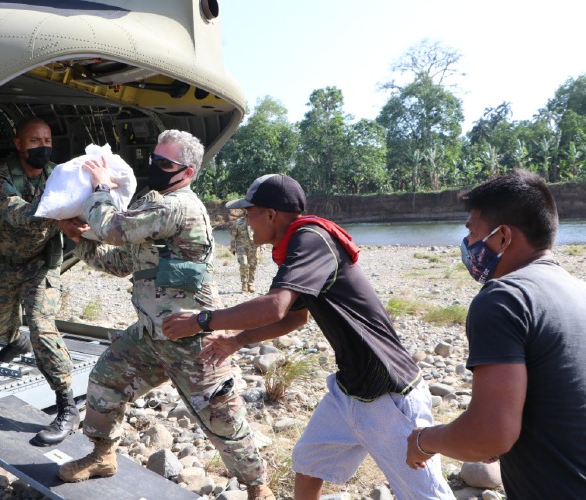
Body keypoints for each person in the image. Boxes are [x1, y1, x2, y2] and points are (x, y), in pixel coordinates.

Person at [162, 174, 453, 500]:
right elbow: (295, 317)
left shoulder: (311, 238)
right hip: (349, 391)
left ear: (270, 214)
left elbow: (275, 307)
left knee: (427, 496)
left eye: (249, 212)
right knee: (310, 461)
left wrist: (203, 321)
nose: (246, 221)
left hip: (390, 394)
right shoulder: (299, 246)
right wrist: (236, 341)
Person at [56, 130, 275, 500]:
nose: (154, 167)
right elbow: (120, 262)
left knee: (220, 415)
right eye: (153, 160)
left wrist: (100, 187)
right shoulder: (154, 208)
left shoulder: (176, 206)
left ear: (187, 172)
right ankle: (102, 455)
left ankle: (258, 488)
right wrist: (79, 241)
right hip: (150, 334)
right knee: (106, 380)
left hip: (190, 336)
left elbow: (113, 228)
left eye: (164, 163)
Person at [406, 169, 586, 498]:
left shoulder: (503, 298)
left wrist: (423, 440)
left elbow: (490, 435)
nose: (467, 246)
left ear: (503, 237)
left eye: (472, 232)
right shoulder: (579, 291)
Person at [0, 116, 78, 447]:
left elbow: (84, 208)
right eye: (34, 141)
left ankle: (66, 406)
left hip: (41, 264)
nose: (42, 146)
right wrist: (61, 210)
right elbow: (17, 214)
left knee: (40, 322)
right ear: (18, 144)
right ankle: (12, 340)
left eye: (47, 140)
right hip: (3, 265)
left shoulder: (61, 177)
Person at [230, 212, 258, 292]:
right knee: (243, 264)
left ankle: (250, 284)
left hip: (253, 246)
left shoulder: (256, 221)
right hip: (241, 247)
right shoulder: (238, 222)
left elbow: (261, 233)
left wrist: (262, 246)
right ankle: (244, 283)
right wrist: (232, 247)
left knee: (253, 265)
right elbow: (233, 235)